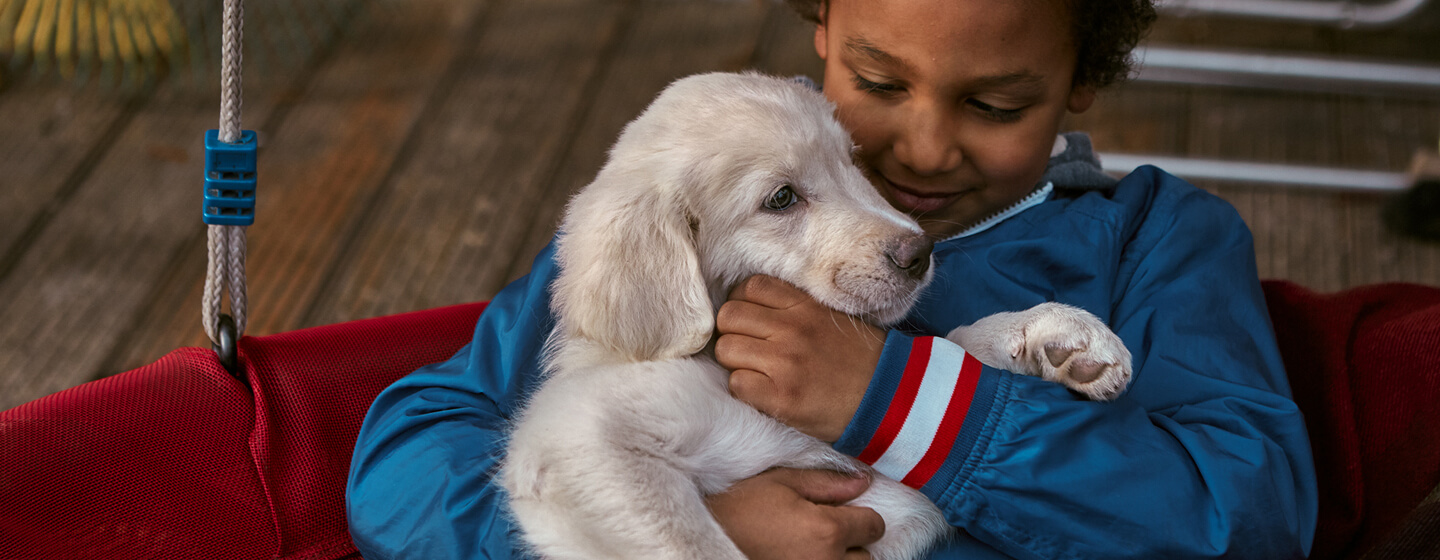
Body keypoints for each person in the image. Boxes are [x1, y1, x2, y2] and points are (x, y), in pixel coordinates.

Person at [345, 0, 1319, 558]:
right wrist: (691, 529)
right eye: (883, 83)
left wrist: (898, 399)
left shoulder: (1151, 239)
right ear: (823, 26)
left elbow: (1251, 509)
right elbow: (404, 458)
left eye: (993, 101)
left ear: (1078, 85)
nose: (924, 148)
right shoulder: (699, 211)